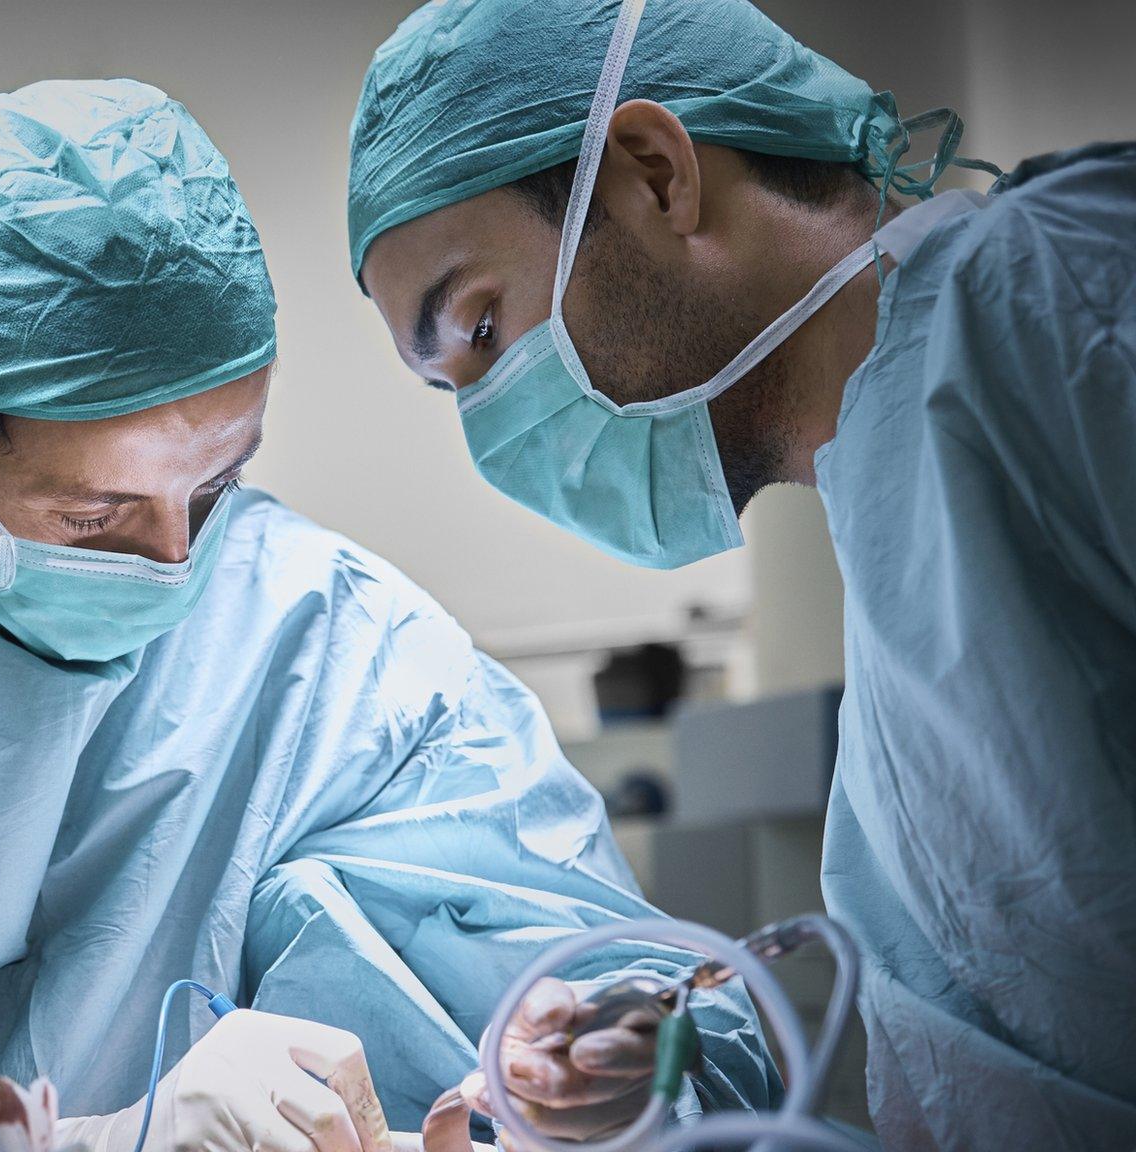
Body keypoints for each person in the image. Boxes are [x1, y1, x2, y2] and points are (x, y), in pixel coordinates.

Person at [0, 78, 778, 1152]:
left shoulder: (333, 647)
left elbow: (610, 985)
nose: (175, 562)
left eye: (216, 486)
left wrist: (608, 1063)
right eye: (95, 520)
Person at [347, 0, 1136, 1147]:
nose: (491, 427)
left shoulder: (1054, 298)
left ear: (655, 174)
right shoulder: (895, 488)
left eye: (478, 328)